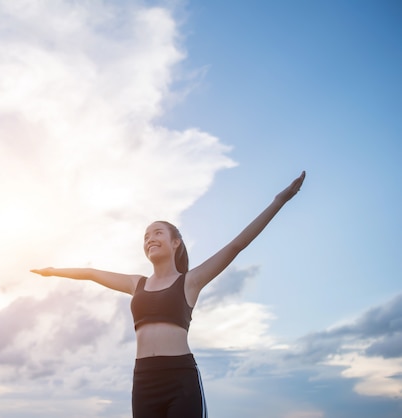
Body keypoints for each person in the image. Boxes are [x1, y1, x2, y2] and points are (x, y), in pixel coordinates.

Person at [31, 171, 306, 418]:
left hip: (180, 378)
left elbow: (236, 245)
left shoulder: (191, 281)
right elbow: (91, 273)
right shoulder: (136, 284)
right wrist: (53, 271)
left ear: (175, 243)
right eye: (146, 236)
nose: (150, 238)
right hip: (143, 380)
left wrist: (278, 201)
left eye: (157, 233)